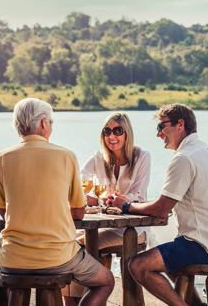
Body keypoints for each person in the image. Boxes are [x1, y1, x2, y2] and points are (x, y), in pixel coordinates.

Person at [109, 103, 208, 306]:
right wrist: (134, 203)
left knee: (137, 265)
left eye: (161, 127)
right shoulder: (205, 150)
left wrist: (127, 207)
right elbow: (166, 200)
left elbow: (162, 209)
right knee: (166, 258)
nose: (158, 134)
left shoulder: (183, 158)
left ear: (180, 124)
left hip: (204, 246)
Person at [0, 98, 114, 306]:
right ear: (43, 123)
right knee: (106, 281)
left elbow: (3, 211)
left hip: (13, 257)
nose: (51, 126)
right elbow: (79, 212)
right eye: (51, 122)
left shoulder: (1, 159)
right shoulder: (66, 156)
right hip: (59, 257)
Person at [63, 112, 151, 306]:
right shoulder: (98, 157)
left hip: (132, 229)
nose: (112, 136)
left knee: (76, 247)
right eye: (107, 131)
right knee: (67, 242)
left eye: (118, 131)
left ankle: (79, 301)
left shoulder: (142, 157)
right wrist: (86, 196)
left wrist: (105, 198)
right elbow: (77, 182)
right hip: (104, 225)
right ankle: (72, 300)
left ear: (127, 133)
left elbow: (135, 196)